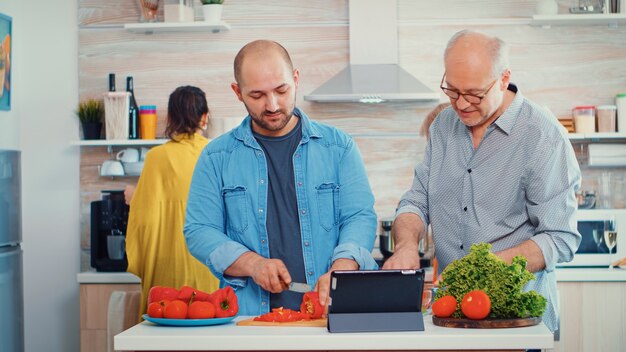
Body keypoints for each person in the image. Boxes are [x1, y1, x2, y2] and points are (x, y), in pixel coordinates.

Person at [383, 30, 581, 332]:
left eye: (474, 94)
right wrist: (407, 245)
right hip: (452, 318)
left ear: (503, 79)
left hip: (516, 323)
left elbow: (560, 237)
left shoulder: (543, 136)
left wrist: (482, 269)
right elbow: (415, 202)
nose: (461, 104)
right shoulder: (442, 127)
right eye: (452, 91)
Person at [184, 40, 378, 316]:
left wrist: (342, 268)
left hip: (330, 316)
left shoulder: (339, 147)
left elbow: (359, 216)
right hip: (251, 319)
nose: (272, 105)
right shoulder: (216, 157)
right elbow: (200, 230)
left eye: (281, 90)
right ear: (237, 92)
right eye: (257, 95)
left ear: (296, 79)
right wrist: (253, 264)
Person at [125, 86, 219, 321]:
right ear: (205, 117)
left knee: (164, 336)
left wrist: (133, 198)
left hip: (166, 272)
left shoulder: (156, 158)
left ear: (170, 118)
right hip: (210, 267)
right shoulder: (216, 154)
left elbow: (144, 220)